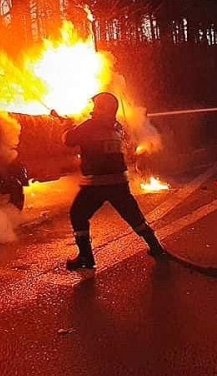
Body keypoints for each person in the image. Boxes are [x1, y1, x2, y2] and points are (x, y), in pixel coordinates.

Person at [62, 92, 165, 270]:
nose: (93, 109)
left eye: (96, 106)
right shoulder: (116, 126)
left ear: (102, 108)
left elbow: (68, 140)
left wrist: (66, 126)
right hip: (118, 183)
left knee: (78, 215)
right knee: (134, 217)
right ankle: (155, 246)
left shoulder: (90, 126)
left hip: (95, 184)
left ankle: (86, 257)